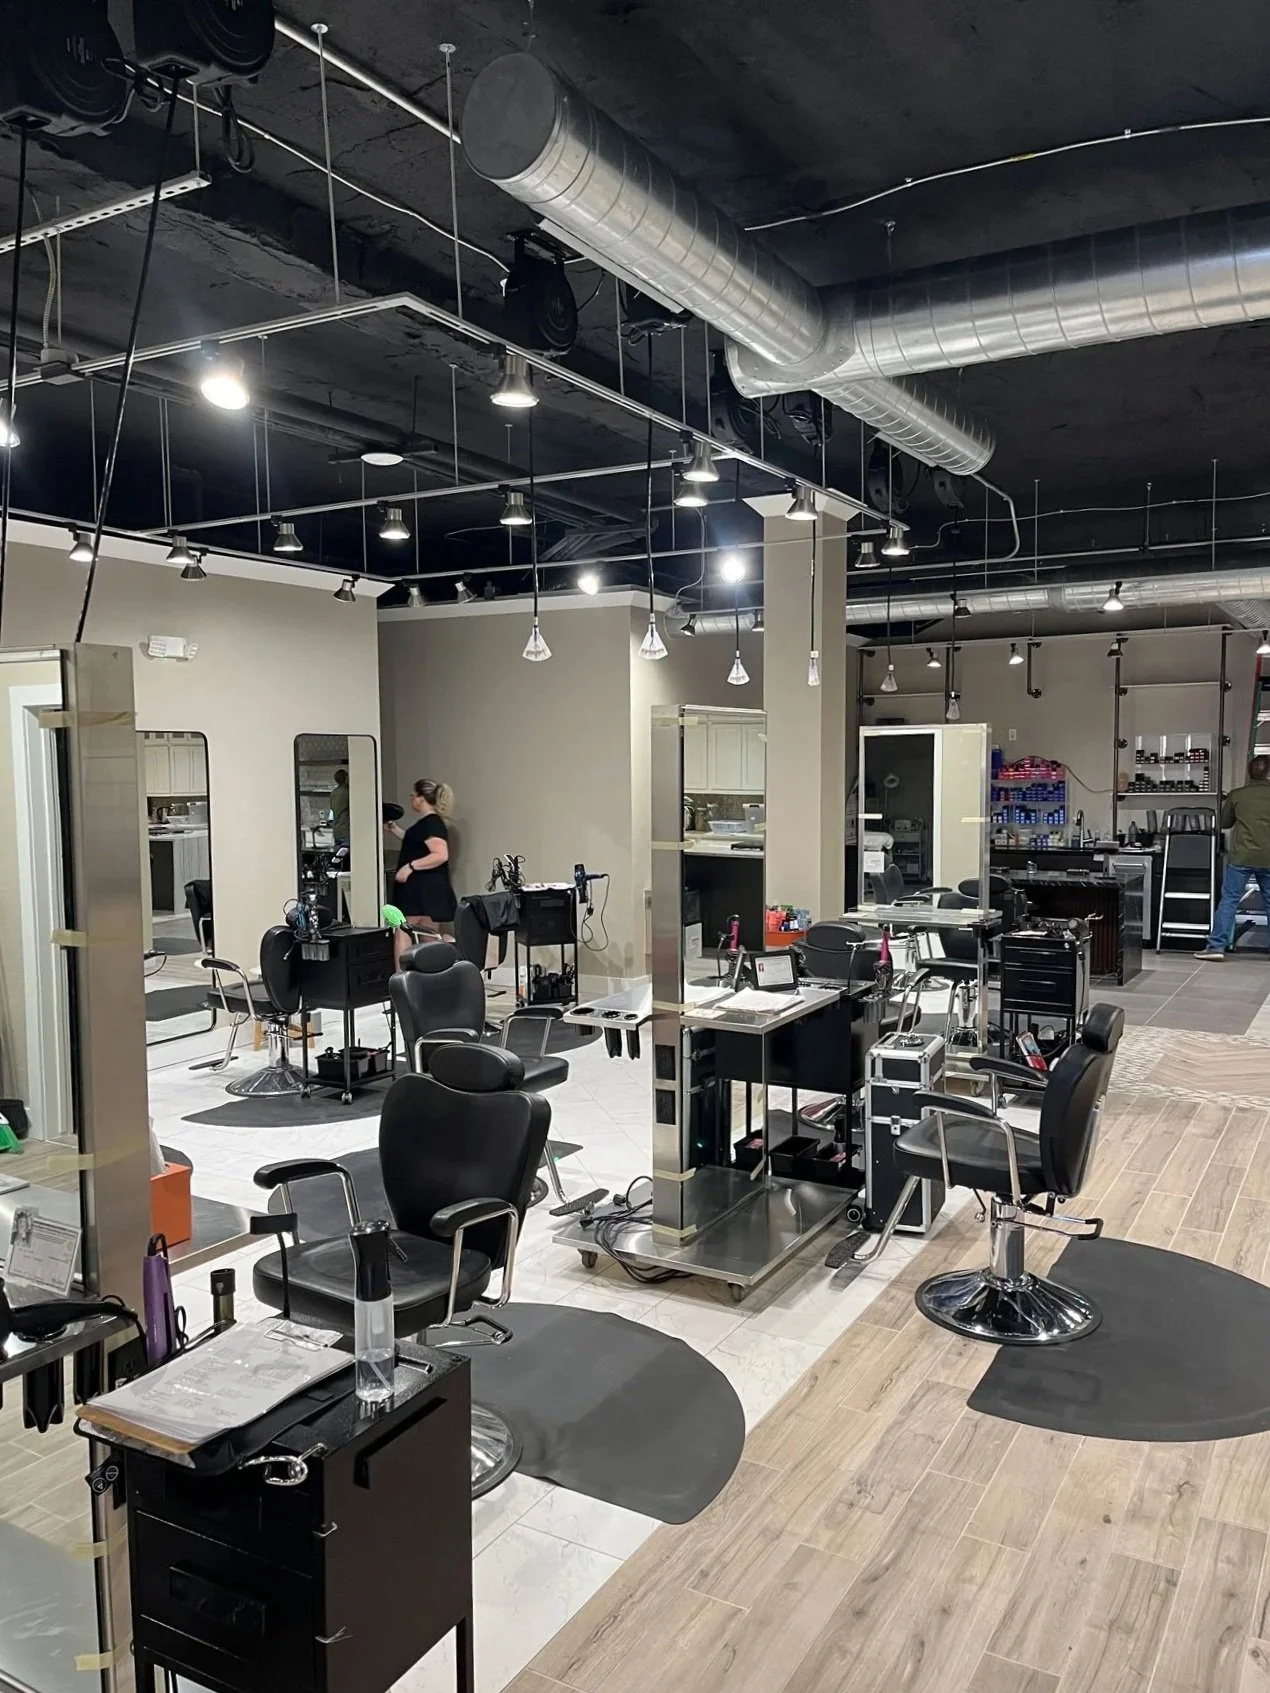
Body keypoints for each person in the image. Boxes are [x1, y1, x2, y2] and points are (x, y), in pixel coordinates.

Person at [1195, 754, 1270, 958]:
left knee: (1229, 901)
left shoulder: (1237, 795)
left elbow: (1225, 823)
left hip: (1241, 857)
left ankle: (1216, 948)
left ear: (1249, 773)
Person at [385, 779, 457, 960]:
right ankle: (435, 972)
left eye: (413, 796)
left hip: (419, 890)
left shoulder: (432, 823)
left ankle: (402, 975)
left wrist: (409, 867)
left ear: (421, 798)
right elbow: (416, 844)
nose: (411, 799)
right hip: (425, 891)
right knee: (427, 935)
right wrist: (394, 829)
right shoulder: (428, 824)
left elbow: (440, 854)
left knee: (404, 931)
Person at [329, 768, 350, 848]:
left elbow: (332, 809)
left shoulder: (333, 793)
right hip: (346, 830)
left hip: (337, 831)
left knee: (338, 854)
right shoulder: (348, 792)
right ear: (346, 778)